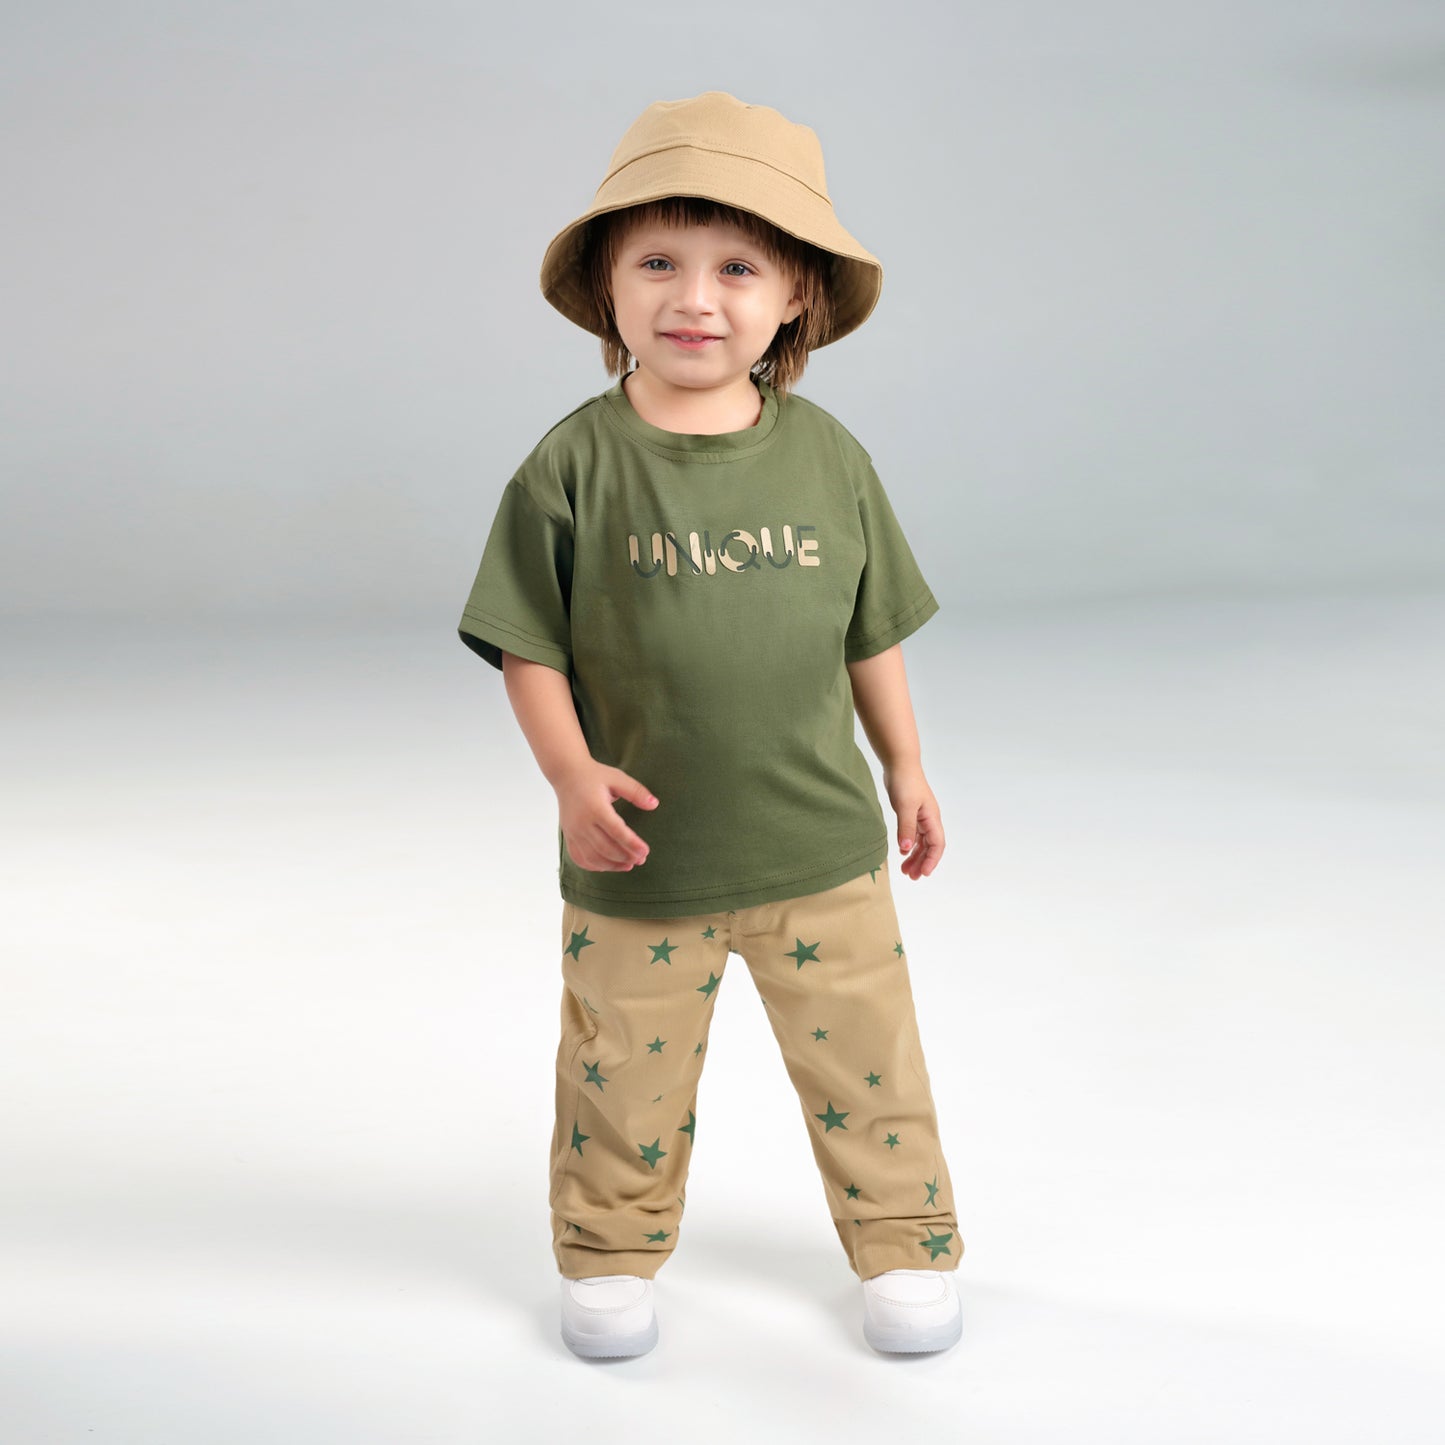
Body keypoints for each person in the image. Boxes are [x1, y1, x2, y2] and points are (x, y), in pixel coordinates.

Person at [457, 91, 963, 1358]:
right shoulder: (571, 467)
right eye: (658, 262)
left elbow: (869, 629)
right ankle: (607, 1250)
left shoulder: (829, 459)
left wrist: (905, 764)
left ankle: (903, 1241)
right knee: (621, 1074)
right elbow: (526, 642)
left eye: (736, 266)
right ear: (608, 285)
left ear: (795, 295)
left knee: (870, 1067)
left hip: (819, 849)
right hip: (642, 860)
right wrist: (569, 775)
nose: (695, 297)